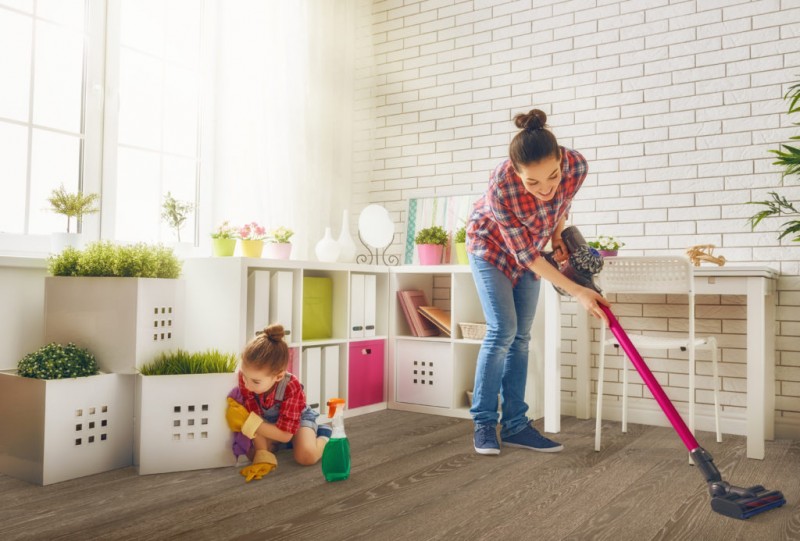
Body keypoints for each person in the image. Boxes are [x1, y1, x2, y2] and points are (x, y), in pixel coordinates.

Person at [466, 108, 609, 456]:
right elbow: (525, 255)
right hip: (490, 248)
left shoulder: (576, 166)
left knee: (522, 338)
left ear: (561, 160)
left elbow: (561, 204)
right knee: (503, 330)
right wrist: (578, 291)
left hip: (532, 247)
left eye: (552, 176)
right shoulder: (500, 183)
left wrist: (558, 234)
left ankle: (516, 425)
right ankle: (484, 423)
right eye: (533, 182)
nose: (545, 188)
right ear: (516, 173)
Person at [225, 323, 332, 481]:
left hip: (295, 422)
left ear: (279, 376)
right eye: (244, 376)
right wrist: (262, 454)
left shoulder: (291, 386)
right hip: (267, 421)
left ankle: (324, 436)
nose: (246, 385)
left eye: (255, 381)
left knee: (306, 456)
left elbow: (285, 434)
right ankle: (283, 445)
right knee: (252, 454)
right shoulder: (247, 379)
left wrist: (249, 423)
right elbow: (255, 415)